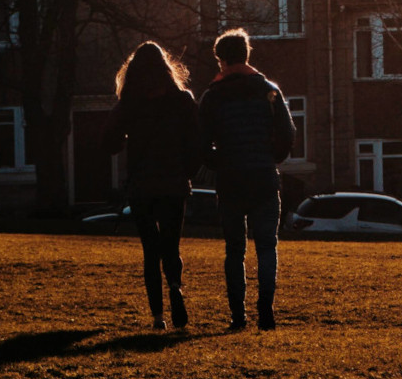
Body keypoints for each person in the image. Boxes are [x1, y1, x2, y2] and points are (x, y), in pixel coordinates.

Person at [198, 28, 295, 331]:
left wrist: (220, 162)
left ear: (221, 60)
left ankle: (237, 316)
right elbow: (288, 133)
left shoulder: (213, 96)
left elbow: (200, 143)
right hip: (264, 178)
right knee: (267, 246)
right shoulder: (269, 91)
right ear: (247, 54)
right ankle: (265, 310)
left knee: (234, 250)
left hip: (231, 181)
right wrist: (272, 158)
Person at [104, 41, 203, 330]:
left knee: (150, 250)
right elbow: (196, 142)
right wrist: (187, 171)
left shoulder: (129, 105)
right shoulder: (182, 100)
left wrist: (125, 139)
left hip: (142, 185)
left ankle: (158, 317)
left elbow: (107, 141)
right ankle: (175, 285)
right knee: (171, 246)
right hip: (174, 183)